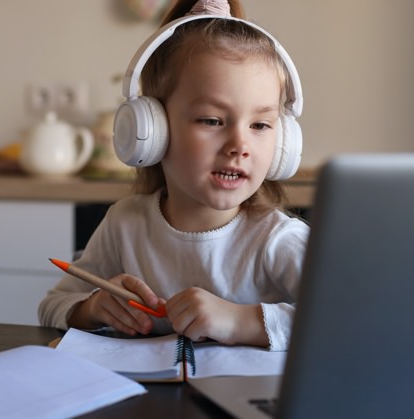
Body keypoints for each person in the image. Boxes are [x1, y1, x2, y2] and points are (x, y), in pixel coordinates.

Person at [39, 0, 308, 351]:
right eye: (212, 121)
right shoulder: (126, 224)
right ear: (153, 129)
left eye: (260, 124)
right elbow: (51, 306)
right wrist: (91, 308)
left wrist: (240, 320)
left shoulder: (277, 239)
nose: (240, 145)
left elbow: (352, 316)